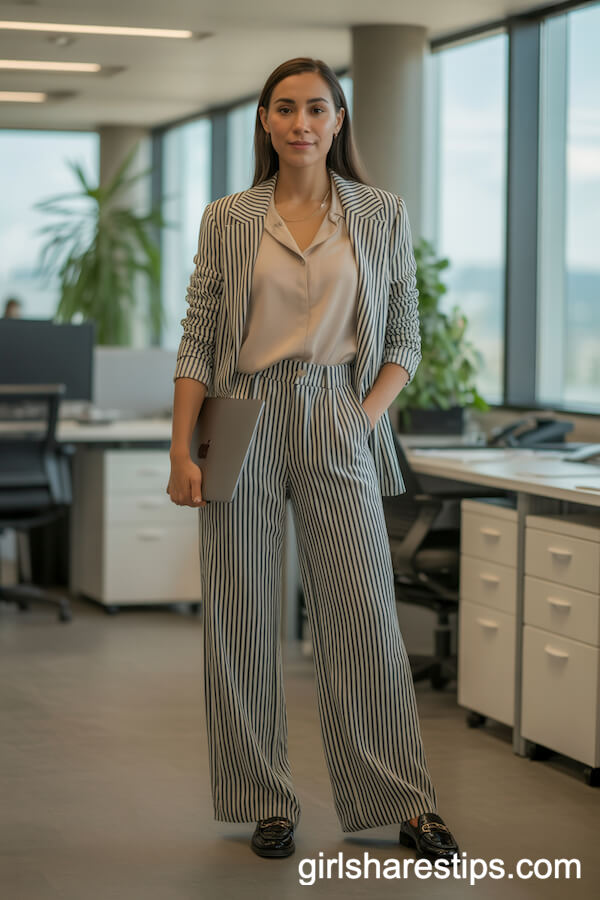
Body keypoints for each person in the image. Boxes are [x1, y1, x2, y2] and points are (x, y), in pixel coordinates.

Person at [167, 57, 460, 865]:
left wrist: (361, 419)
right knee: (241, 616)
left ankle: (404, 801)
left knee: (363, 614)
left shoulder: (380, 213)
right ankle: (266, 801)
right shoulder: (228, 219)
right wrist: (180, 449)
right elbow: (198, 338)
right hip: (241, 413)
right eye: (286, 108)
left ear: (338, 120)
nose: (302, 123)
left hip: (339, 410)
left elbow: (403, 338)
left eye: (317, 109)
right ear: (265, 120)